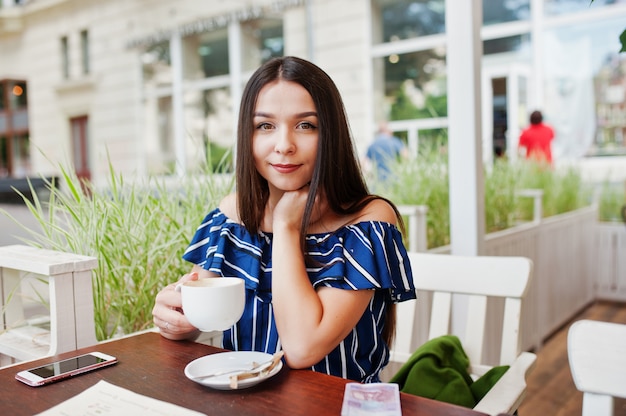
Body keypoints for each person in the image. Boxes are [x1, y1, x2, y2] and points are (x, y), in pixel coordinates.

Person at [152, 56, 416, 383]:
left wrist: (286, 226)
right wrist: (176, 320)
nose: (284, 145)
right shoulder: (231, 218)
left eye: (306, 125)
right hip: (244, 402)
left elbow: (303, 349)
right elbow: (198, 308)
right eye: (265, 126)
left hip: (339, 405)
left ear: (330, 135)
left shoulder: (367, 221)